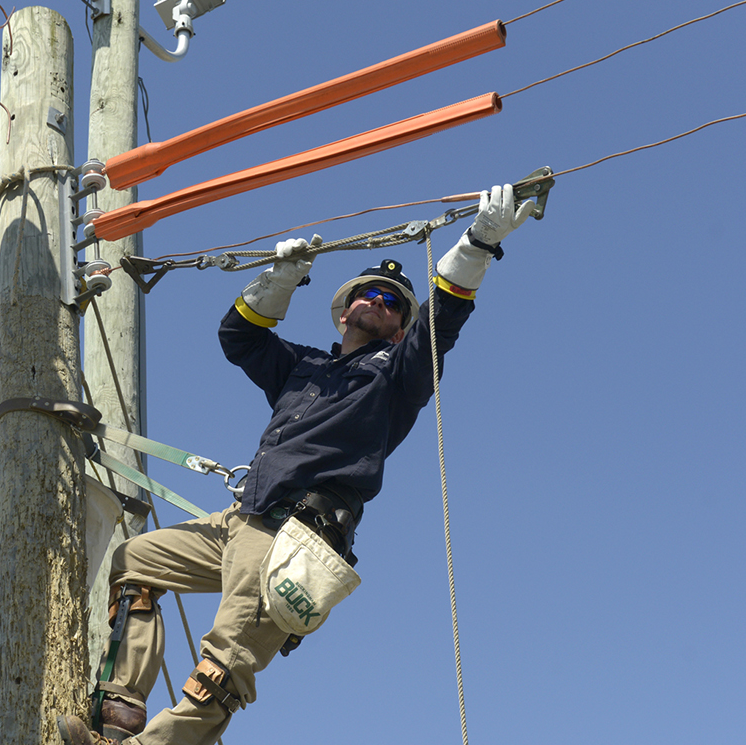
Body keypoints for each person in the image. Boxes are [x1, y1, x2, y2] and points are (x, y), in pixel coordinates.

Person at [58, 184, 536, 745]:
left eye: (392, 303)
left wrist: (478, 242)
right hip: (240, 521)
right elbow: (239, 337)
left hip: (295, 536)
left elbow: (444, 321)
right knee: (137, 562)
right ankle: (118, 713)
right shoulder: (304, 367)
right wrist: (281, 278)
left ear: (401, 327)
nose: (379, 301)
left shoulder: (398, 378)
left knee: (223, 666)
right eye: (371, 293)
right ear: (344, 311)